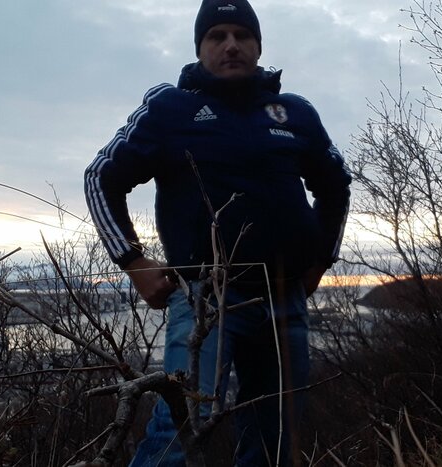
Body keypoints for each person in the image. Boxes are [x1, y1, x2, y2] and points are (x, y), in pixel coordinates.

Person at [83, 1, 351, 465]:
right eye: (217, 36)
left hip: (284, 299)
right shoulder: (170, 108)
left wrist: (321, 261)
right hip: (205, 298)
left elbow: (336, 186)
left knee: (275, 439)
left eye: (242, 35)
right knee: (178, 431)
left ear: (258, 46)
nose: (231, 45)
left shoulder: (293, 112)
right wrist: (133, 261)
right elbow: (100, 177)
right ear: (200, 47)